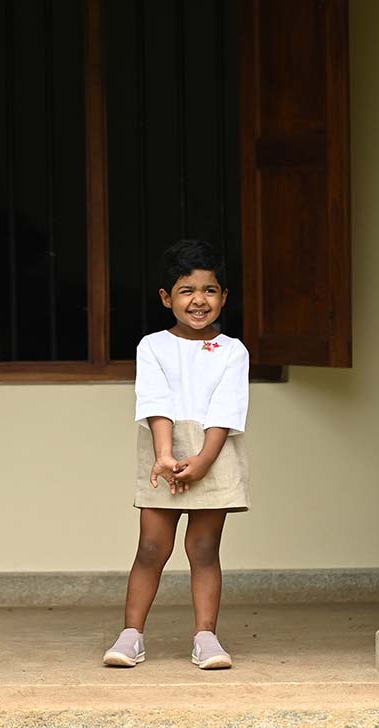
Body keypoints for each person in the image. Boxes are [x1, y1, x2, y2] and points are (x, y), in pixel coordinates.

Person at [103, 239, 250, 670]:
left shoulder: (232, 350)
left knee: (204, 548)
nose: (199, 300)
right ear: (167, 298)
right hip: (161, 453)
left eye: (209, 290)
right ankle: (131, 636)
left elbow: (226, 409)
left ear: (224, 297)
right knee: (151, 547)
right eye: (187, 290)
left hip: (214, 450)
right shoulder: (152, 346)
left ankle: (206, 637)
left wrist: (203, 461)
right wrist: (165, 455)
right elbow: (156, 402)